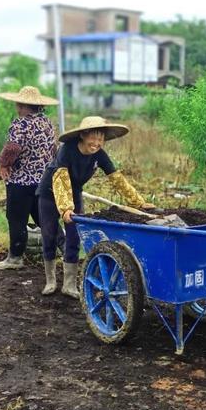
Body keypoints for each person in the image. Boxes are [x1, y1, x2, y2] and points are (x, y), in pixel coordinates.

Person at [36, 116, 153, 299]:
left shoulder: (99, 155)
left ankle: (69, 285)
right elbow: (61, 179)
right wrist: (66, 208)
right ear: (83, 135)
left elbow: (117, 179)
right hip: (50, 192)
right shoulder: (67, 150)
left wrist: (138, 202)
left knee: (74, 237)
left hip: (74, 192)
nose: (97, 143)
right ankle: (51, 282)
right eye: (94, 138)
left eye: (101, 139)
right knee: (49, 235)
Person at [0, 86, 59, 271]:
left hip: (21, 181)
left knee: (16, 218)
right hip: (44, 180)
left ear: (21, 105)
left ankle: (15, 258)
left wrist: (3, 164)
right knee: (44, 218)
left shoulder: (20, 124)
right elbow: (54, 150)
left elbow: (12, 149)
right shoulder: (47, 123)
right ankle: (63, 249)